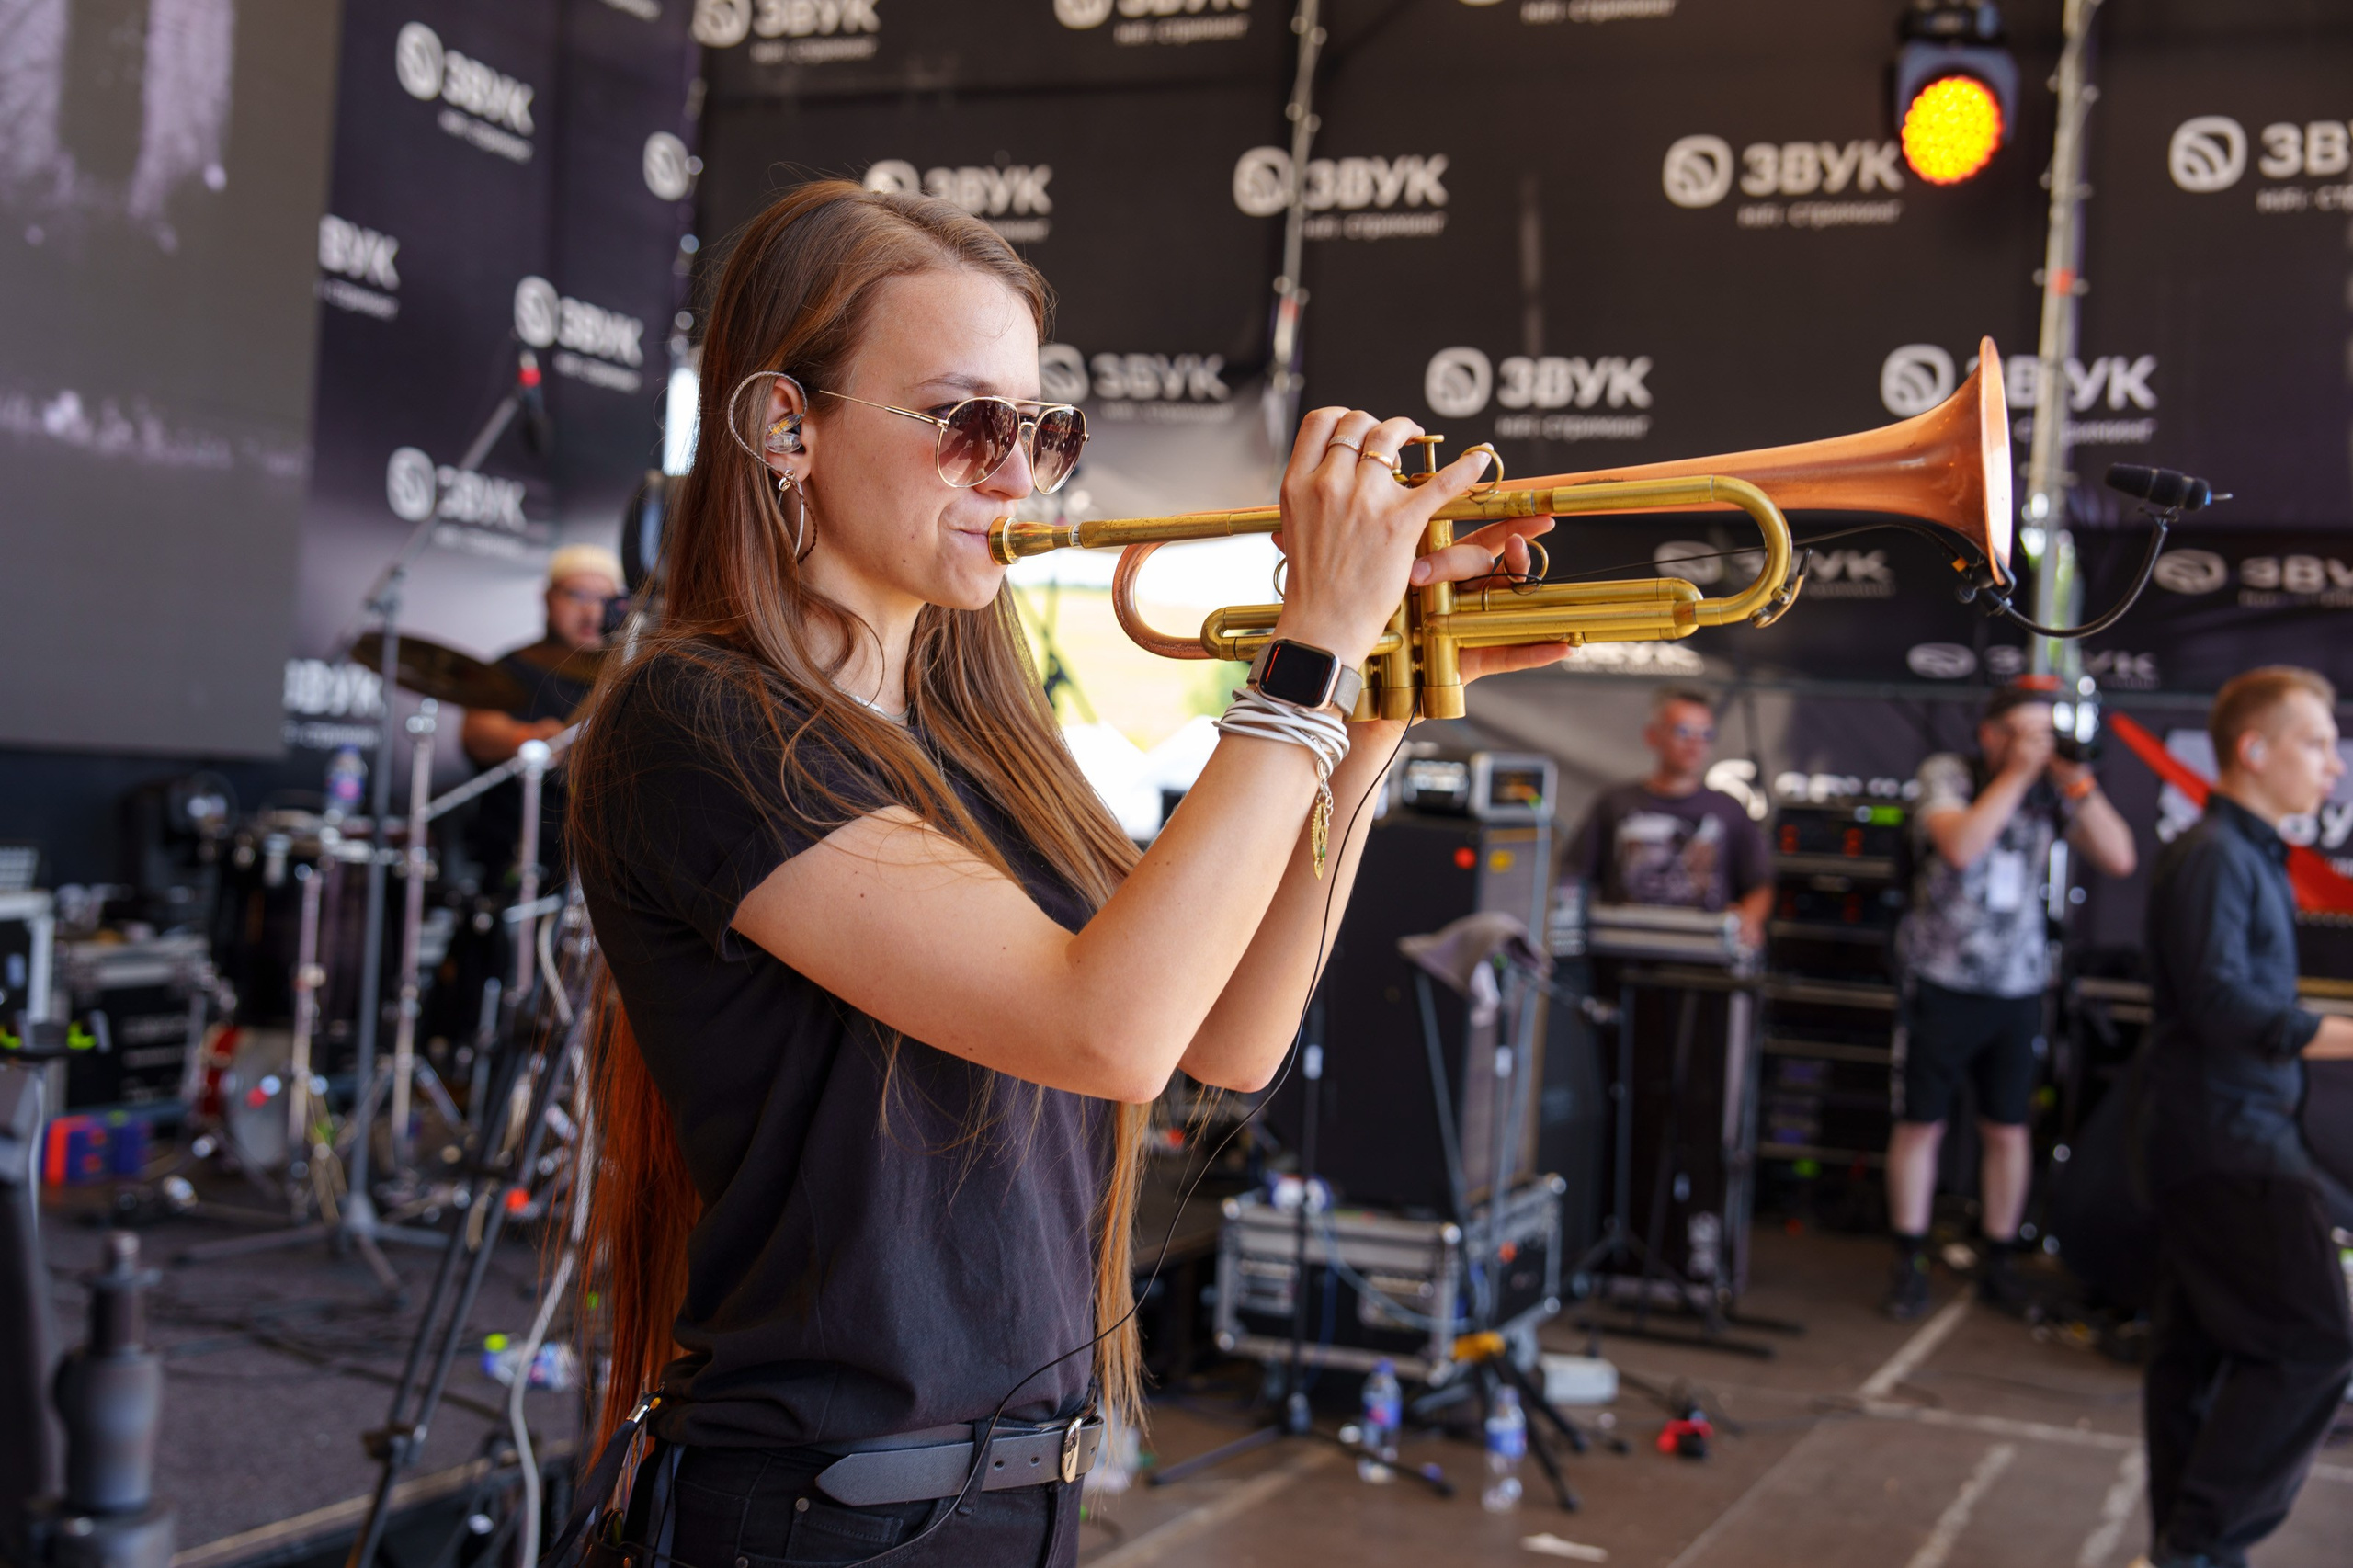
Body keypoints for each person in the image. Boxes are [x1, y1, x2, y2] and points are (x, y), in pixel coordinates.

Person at [563, 182, 1563, 1567]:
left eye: (1038, 431)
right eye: (967, 422)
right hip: (821, 1511)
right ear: (787, 424)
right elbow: (1112, 1026)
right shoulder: (697, 722)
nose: (1015, 474)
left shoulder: (982, 738)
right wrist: (1312, 648)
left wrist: (1374, 701)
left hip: (1008, 1496)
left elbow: (1230, 1034)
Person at [2139, 666, 2353, 1568]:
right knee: (2313, 1341)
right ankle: (2195, 1549)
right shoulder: (2216, 855)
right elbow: (2223, 1005)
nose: (2334, 766)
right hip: (2227, 1142)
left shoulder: (2244, 851)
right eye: (2315, 742)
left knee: (2199, 1354)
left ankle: (2185, 1550)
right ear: (2252, 748)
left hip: (2219, 1134)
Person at [1883, 680, 2136, 1319]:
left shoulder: (2052, 787)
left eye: (2043, 733)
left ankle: (1998, 1258)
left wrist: (2075, 781)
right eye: (2024, 733)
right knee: (1922, 1123)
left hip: (2017, 987)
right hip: (1942, 981)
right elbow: (1961, 846)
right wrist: (2017, 775)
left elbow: (2121, 857)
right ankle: (1908, 1256)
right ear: (1990, 734)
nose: (2035, 746)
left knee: (2008, 1127)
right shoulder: (1953, 775)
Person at [458, 543, 620, 883]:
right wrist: (530, 739)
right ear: (548, 598)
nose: (592, 613)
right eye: (578, 595)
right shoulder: (515, 667)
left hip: (607, 862)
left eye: (605, 601)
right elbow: (476, 732)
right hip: (525, 855)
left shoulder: (628, 675)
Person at [1569, 685, 1772, 948]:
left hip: (1703, 957)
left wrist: (1749, 920)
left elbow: (1759, 882)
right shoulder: (1616, 802)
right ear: (1653, 736)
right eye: (1683, 731)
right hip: (1622, 954)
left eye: (1706, 733)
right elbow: (1574, 875)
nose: (1695, 743)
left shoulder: (1729, 810)